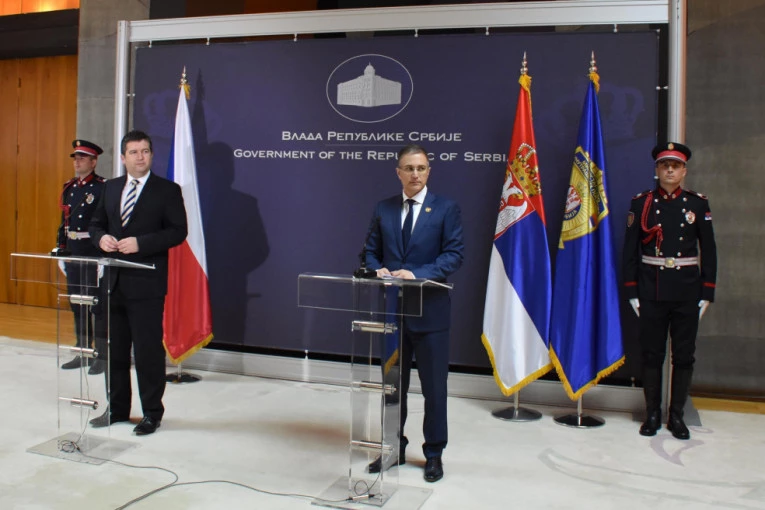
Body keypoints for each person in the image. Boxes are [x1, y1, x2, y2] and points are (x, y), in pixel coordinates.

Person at [364, 144, 464, 482]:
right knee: (393, 387)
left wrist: (417, 274)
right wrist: (376, 269)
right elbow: (370, 252)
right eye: (409, 168)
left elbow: (454, 255)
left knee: (434, 390)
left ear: (429, 171)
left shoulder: (446, 208)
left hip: (431, 314)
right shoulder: (384, 208)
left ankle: (433, 454)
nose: (415, 174)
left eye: (421, 168)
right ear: (398, 172)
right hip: (393, 315)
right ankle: (393, 448)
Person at [88, 130, 187, 436]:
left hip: (146, 285)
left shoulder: (167, 190)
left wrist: (141, 243)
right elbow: (95, 224)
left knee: (147, 353)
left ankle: (152, 413)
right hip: (113, 284)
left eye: (145, 151)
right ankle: (117, 409)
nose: (140, 157)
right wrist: (101, 238)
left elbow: (178, 231)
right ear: (123, 157)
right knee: (115, 352)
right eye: (133, 152)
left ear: (151, 155)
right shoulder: (110, 187)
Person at [623, 142, 717, 440]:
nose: (670, 171)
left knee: (684, 355)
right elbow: (630, 250)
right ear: (657, 170)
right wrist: (632, 290)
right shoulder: (642, 204)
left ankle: (676, 415)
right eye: (665, 165)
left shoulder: (697, 204)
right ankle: (652, 413)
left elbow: (709, 250)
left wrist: (707, 291)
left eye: (675, 166)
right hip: (651, 289)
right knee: (652, 354)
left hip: (687, 291)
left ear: (684, 171)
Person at [57, 139, 107, 375]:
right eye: (75, 158)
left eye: (82, 158)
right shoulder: (70, 188)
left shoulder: (102, 188)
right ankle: (83, 350)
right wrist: (61, 248)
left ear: (94, 162)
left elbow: (106, 223)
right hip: (74, 252)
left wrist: (104, 255)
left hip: (93, 252)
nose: (77, 162)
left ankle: (102, 355)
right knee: (77, 304)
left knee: (97, 306)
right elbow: (64, 221)